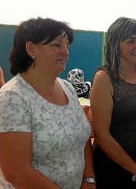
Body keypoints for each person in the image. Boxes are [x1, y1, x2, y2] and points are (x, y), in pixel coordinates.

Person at [0, 17, 95, 189]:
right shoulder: (12, 98)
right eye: (57, 45)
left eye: (67, 46)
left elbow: (82, 137)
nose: (65, 52)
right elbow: (17, 172)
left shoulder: (68, 88)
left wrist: (88, 180)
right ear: (31, 48)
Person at [90, 17, 136, 189]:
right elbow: (102, 135)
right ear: (116, 44)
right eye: (131, 41)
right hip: (113, 161)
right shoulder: (104, 78)